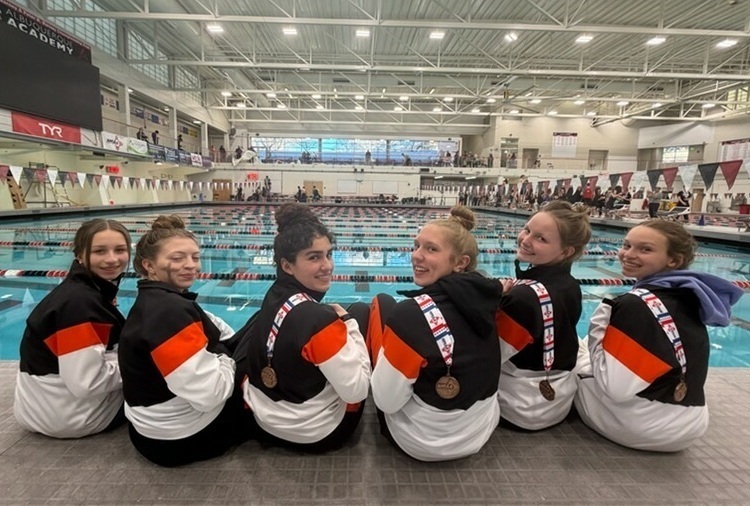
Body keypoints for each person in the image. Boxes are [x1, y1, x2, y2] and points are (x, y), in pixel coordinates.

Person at [575, 220, 742, 451]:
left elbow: (614, 388)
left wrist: (599, 326)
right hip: (690, 425)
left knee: (571, 364)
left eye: (645, 249)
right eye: (627, 245)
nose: (628, 254)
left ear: (674, 260)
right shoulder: (690, 294)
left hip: (643, 428)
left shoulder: (634, 306)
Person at [367, 206, 504, 461]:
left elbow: (386, 402)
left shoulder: (409, 315)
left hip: (420, 442)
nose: (416, 256)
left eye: (431, 249)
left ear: (461, 262)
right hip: (479, 432)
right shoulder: (492, 300)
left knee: (381, 304)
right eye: (417, 245)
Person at [236, 204, 370, 453]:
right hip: (317, 434)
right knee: (363, 313)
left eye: (329, 254)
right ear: (287, 266)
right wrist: (350, 323)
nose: (327, 266)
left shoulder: (274, 294)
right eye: (314, 257)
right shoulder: (318, 320)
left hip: (263, 422)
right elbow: (358, 390)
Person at [118, 215, 243, 467]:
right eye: (177, 258)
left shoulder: (155, 299)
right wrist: (226, 358)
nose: (191, 265)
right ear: (149, 265)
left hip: (149, 431)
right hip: (180, 441)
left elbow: (208, 321)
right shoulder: (169, 312)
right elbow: (211, 394)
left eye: (195, 257)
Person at [14, 219, 132, 438]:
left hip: (40, 407)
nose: (112, 259)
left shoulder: (82, 289)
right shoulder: (79, 305)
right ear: (79, 255)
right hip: (71, 417)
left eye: (120, 250)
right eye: (99, 251)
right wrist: (136, 364)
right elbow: (85, 383)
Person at [495, 200, 591, 430]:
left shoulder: (523, 298)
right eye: (527, 230)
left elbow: (492, 354)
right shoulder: (570, 285)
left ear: (566, 251)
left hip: (518, 409)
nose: (525, 240)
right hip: (557, 404)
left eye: (541, 239)